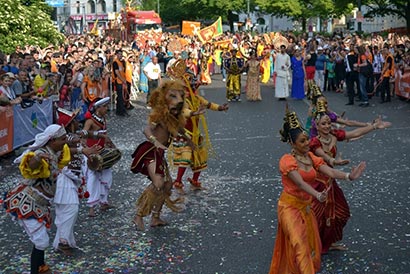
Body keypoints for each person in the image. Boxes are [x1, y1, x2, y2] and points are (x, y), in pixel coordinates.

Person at [269, 107, 366, 274]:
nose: (307, 143)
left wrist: (349, 176)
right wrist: (317, 194)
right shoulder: (286, 161)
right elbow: (299, 183)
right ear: (292, 144)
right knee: (299, 243)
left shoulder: (311, 157)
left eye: (307, 139)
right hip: (289, 208)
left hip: (306, 208)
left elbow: (329, 171)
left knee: (312, 247)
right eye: (302, 141)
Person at [309, 101, 391, 254]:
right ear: (316, 126)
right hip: (318, 183)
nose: (327, 126)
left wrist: (373, 127)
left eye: (328, 123)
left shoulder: (333, 135)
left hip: (331, 181)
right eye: (323, 124)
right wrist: (334, 161)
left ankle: (328, 242)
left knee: (341, 213)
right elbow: (323, 157)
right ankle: (316, 244)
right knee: (320, 216)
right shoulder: (314, 142)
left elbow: (354, 133)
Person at [3, 124, 70, 274]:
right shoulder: (42, 152)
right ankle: (38, 270)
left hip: (41, 204)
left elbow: (69, 147)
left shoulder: (55, 152)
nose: (65, 142)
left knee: (41, 241)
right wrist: (38, 158)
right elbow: (32, 164)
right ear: (52, 141)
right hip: (27, 201)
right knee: (41, 241)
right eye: (63, 139)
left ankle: (40, 268)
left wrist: (81, 149)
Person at [131, 80, 192, 231]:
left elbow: (179, 129)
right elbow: (146, 129)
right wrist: (155, 142)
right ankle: (138, 215)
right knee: (158, 182)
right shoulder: (159, 115)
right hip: (150, 151)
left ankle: (155, 217)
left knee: (167, 185)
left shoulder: (173, 117)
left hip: (159, 153)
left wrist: (189, 140)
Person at [169, 60, 229, 192]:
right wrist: (194, 113)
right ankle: (178, 181)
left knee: (200, 157)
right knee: (185, 156)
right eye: (191, 82)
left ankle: (195, 179)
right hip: (184, 132)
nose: (194, 84)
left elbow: (208, 104)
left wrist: (220, 108)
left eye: (194, 81)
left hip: (195, 133)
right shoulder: (180, 98)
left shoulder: (196, 97)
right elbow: (183, 111)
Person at [53, 108, 99, 256]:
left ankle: (64, 240)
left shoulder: (73, 136)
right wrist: (82, 149)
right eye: (74, 121)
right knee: (70, 210)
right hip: (64, 179)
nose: (77, 123)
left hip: (71, 180)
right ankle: (62, 242)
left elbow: (86, 134)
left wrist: (99, 134)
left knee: (66, 212)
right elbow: (70, 144)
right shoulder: (66, 139)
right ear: (68, 124)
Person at [82, 97, 120, 217]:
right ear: (99, 108)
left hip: (102, 152)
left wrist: (111, 145)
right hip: (92, 153)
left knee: (106, 177)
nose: (107, 109)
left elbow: (105, 135)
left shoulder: (103, 119)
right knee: (93, 179)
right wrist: (86, 149)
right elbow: (83, 134)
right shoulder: (90, 121)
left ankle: (104, 202)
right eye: (105, 107)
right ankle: (91, 207)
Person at [112, 49, 129, 116]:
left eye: (121, 54)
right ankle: (120, 111)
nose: (120, 55)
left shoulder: (121, 62)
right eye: (119, 54)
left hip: (122, 81)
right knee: (120, 96)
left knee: (121, 96)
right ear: (116, 54)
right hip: (118, 81)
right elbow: (117, 72)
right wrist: (123, 80)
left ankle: (120, 110)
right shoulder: (115, 62)